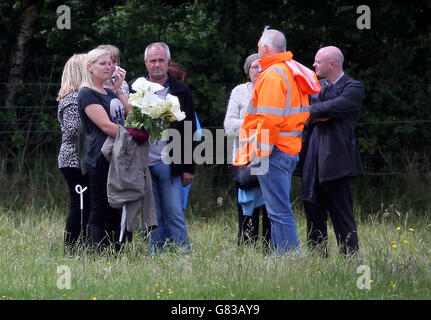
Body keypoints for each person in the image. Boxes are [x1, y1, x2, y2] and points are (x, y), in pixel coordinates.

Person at [234, 27, 320, 254]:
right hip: (287, 149)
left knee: (278, 210)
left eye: (258, 46)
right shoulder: (290, 71)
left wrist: (258, 153)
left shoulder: (272, 75)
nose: (257, 50)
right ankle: (286, 256)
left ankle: (289, 257)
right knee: (278, 209)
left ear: (265, 48)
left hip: (274, 151)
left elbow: (269, 120)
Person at [295, 46, 364, 257]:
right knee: (313, 212)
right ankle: (317, 260)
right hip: (311, 161)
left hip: (337, 163)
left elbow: (336, 106)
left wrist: (317, 112)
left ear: (332, 63)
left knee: (342, 213)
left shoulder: (353, 87)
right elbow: (305, 113)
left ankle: (349, 257)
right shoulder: (315, 88)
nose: (313, 65)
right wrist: (316, 113)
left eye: (317, 61)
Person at [130, 42, 197, 253]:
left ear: (168, 62)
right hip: (143, 162)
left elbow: (189, 129)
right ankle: (155, 256)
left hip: (170, 162)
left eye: (161, 60)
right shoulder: (134, 88)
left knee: (174, 212)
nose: (157, 64)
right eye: (153, 60)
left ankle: (183, 256)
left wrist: (188, 167)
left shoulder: (180, 90)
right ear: (145, 63)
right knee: (152, 215)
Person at [78, 48, 130, 252]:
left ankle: (115, 252)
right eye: (102, 63)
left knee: (116, 207)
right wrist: (133, 137)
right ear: (90, 67)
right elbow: (106, 126)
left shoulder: (109, 92)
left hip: (117, 156)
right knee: (100, 207)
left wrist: (118, 90)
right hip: (99, 157)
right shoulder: (86, 93)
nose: (109, 67)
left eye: (110, 63)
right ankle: (97, 252)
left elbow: (132, 116)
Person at [224, 53, 271, 249]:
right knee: (247, 204)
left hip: (271, 157)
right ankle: (248, 248)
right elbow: (229, 125)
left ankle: (271, 248)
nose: (259, 71)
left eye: (262, 67)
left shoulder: (274, 91)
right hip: (244, 158)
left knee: (270, 206)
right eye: (254, 67)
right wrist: (255, 125)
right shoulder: (239, 92)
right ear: (247, 70)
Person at [57, 53, 90, 255]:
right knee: (79, 204)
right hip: (73, 160)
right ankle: (70, 248)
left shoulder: (79, 97)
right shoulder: (73, 99)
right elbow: (72, 129)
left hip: (78, 159)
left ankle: (82, 245)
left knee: (85, 203)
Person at [167, 61, 202, 211]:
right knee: (176, 210)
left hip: (173, 163)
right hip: (180, 164)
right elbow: (197, 134)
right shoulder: (184, 107)